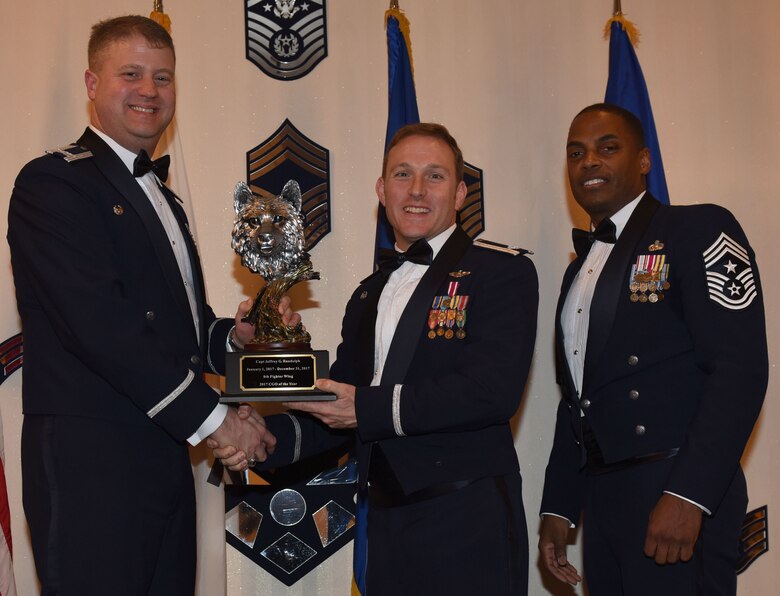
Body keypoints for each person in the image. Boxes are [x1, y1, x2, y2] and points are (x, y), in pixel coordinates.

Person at [7, 16, 278, 595]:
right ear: (91, 82)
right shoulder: (52, 184)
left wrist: (241, 338)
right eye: (130, 74)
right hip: (92, 464)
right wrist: (218, 422)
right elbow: (103, 328)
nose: (150, 91)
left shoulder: (168, 203)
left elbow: (184, 328)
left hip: (163, 455)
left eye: (163, 77)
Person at [215, 123, 539, 595]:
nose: (417, 190)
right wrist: (262, 438)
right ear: (382, 190)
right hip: (383, 525)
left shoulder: (502, 272)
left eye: (436, 176)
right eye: (403, 175)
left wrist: (366, 409)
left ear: (462, 192)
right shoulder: (367, 294)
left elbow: (492, 391)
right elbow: (336, 408)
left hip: (466, 519)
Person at [538, 103, 768, 595]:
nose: (589, 162)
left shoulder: (698, 229)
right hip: (605, 501)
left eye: (608, 148)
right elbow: (579, 398)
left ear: (644, 160)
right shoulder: (576, 271)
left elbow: (739, 369)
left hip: (675, 488)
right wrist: (559, 505)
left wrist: (689, 494)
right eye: (576, 153)